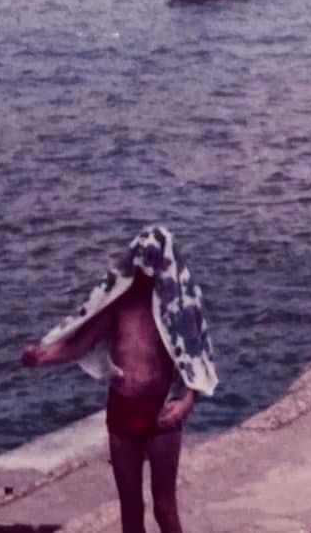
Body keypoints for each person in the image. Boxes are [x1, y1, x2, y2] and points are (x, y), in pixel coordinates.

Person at [21, 226, 216, 533]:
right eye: (139, 265)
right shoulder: (118, 305)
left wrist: (185, 403)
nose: (144, 272)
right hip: (122, 411)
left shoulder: (177, 309)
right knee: (130, 506)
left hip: (161, 414)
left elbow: (196, 364)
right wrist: (41, 357)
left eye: (150, 266)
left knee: (165, 507)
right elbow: (78, 344)